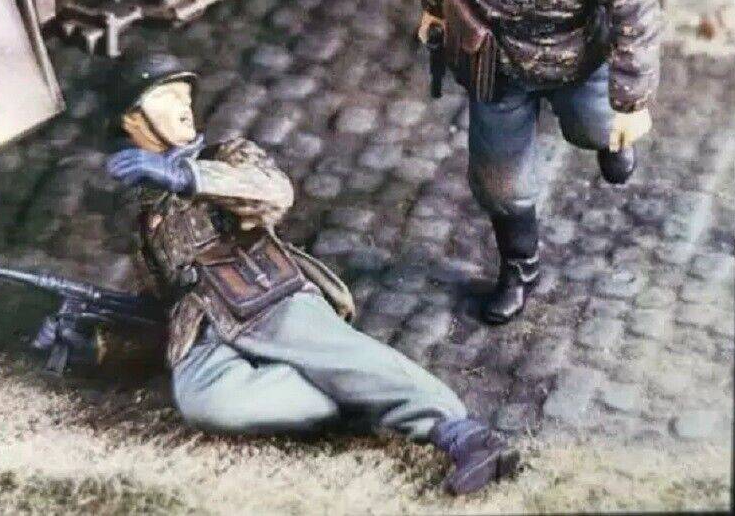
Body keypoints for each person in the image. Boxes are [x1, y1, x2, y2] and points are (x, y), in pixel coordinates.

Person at [105, 51, 520, 495]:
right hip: (203, 326)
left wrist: (188, 177)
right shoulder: (144, 211)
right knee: (204, 401)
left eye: (184, 94)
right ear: (133, 120)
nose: (184, 105)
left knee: (339, 354)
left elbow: (274, 193)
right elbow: (161, 290)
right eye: (167, 96)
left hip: (263, 293)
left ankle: (465, 435)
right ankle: (351, 399)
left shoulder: (225, 156)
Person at [419, 0, 664, 323]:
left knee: (597, 128)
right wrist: (432, 9)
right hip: (500, 68)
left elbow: (636, 14)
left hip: (578, 62)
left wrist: (632, 103)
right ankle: (520, 268)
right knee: (501, 184)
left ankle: (612, 144)